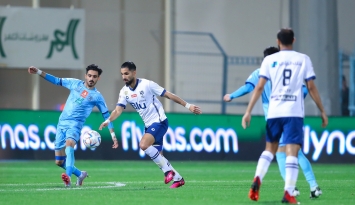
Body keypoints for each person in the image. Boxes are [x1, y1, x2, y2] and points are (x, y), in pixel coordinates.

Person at [241, 28, 328, 204]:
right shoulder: (303, 59)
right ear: (293, 40)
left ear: (278, 41)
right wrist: (322, 110)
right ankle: (289, 192)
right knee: (292, 152)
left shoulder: (269, 60)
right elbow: (310, 87)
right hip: (293, 112)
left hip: (274, 112)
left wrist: (248, 111)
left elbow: (258, 87)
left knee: (269, 150)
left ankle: (258, 178)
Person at [224, 47, 322, 199]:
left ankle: (291, 188)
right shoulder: (291, 70)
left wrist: (232, 96)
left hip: (274, 117)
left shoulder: (260, 72)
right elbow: (304, 90)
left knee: (278, 153)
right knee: (296, 151)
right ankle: (313, 186)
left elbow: (249, 87)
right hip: (292, 116)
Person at [99, 61, 202, 188]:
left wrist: (188, 106)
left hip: (159, 122)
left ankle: (168, 171)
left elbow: (169, 95)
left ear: (134, 72)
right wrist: (108, 120)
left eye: (126, 73)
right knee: (159, 157)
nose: (124, 77)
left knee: (143, 144)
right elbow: (118, 110)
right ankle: (178, 179)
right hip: (149, 125)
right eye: (122, 74)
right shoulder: (124, 92)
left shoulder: (147, 84)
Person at [28, 64, 118, 187]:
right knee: (59, 161)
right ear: (86, 76)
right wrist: (38, 71)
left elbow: (107, 116)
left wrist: (113, 135)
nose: (91, 79)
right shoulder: (74, 83)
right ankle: (80, 174)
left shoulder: (97, 96)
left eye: (95, 77)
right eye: (90, 76)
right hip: (62, 123)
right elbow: (56, 80)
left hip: (75, 125)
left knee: (69, 145)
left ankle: (68, 178)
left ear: (98, 78)